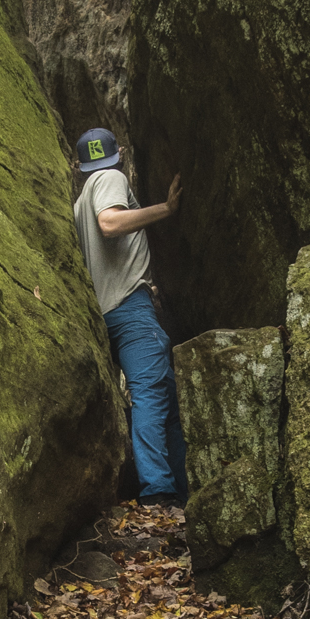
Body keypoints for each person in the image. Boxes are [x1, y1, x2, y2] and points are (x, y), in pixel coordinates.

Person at [71, 125, 188, 507]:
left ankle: (180, 488)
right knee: (152, 395)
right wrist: (167, 209)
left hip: (104, 313)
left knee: (164, 397)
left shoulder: (78, 203)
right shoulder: (111, 177)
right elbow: (110, 223)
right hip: (131, 310)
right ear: (118, 152)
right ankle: (160, 493)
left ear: (77, 165)